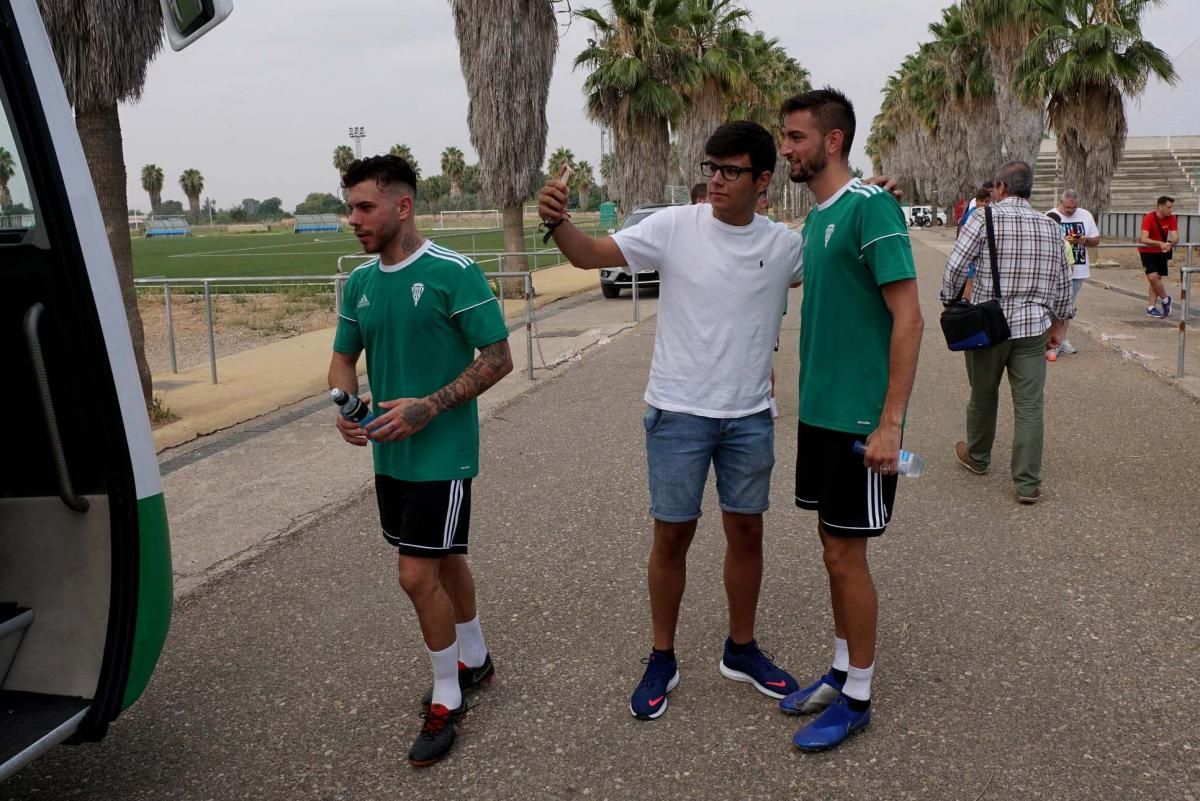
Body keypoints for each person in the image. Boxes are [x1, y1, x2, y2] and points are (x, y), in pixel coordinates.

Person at [538, 121, 805, 722]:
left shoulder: (785, 245)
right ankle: (662, 655)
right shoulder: (673, 227)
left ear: (763, 181)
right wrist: (557, 221)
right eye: (710, 167)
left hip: (749, 417)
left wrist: (873, 202)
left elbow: (836, 261)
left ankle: (741, 649)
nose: (715, 179)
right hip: (678, 410)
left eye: (730, 171)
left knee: (748, 532)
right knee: (671, 535)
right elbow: (588, 256)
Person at [328, 155, 513, 768]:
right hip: (389, 457)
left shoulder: (452, 272)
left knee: (415, 576)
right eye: (349, 206)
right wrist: (348, 407)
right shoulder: (358, 282)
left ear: (402, 206)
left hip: (443, 454)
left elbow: (497, 358)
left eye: (364, 207)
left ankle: (446, 695)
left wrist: (428, 407)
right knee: (445, 557)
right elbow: (342, 359)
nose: (352, 219)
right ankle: (477, 658)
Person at [775, 88, 923, 752]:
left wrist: (891, 421)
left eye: (796, 137)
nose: (786, 148)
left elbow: (910, 316)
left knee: (848, 556)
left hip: (863, 421)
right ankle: (840, 668)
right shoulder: (819, 218)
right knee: (833, 551)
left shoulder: (870, 206)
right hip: (821, 417)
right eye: (784, 137)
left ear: (832, 141)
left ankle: (858, 696)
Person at [941, 161, 1071, 506]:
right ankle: (1027, 484)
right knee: (1030, 405)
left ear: (1000, 186)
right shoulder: (1049, 226)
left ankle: (978, 457)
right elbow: (1063, 280)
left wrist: (950, 300)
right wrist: (1060, 322)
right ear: (1028, 189)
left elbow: (955, 265)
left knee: (983, 394)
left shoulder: (984, 218)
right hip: (1033, 329)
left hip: (989, 326)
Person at [1045, 189, 1100, 357]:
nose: (1070, 211)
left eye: (1074, 208)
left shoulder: (1085, 215)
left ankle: (1061, 340)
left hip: (1078, 269)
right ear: (1061, 203)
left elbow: (1096, 240)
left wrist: (1085, 240)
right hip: (1055, 271)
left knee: (1067, 308)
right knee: (1051, 307)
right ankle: (1049, 340)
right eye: (1068, 207)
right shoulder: (1050, 215)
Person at [1138, 195, 1178, 319]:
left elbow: (1175, 236)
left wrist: (1171, 243)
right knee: (1152, 277)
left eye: (1171, 207)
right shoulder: (1149, 217)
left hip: (1161, 252)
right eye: (1168, 207)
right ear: (1160, 207)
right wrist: (1160, 243)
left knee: (1156, 280)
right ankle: (1166, 300)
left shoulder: (1171, 218)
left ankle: (1151, 307)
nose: (1171, 210)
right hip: (1147, 251)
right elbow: (1144, 238)